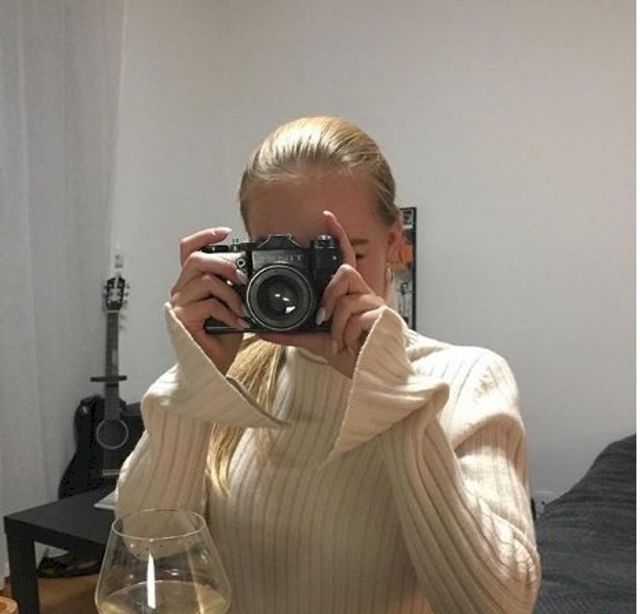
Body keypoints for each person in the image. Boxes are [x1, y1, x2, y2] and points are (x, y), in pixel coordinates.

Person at [116, 116, 541, 613]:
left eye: (338, 255)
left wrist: (390, 392)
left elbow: (499, 605)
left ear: (396, 243)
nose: (312, 286)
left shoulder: (467, 381)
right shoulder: (235, 377)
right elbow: (146, 544)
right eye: (283, 259)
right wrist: (194, 379)